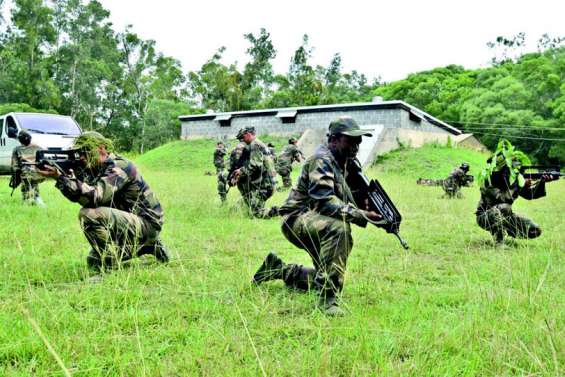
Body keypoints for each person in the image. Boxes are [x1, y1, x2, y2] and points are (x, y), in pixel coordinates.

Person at [252, 117, 381, 316]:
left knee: (324, 274)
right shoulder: (321, 160)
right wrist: (360, 214)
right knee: (339, 229)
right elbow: (324, 201)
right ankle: (327, 301)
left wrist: (370, 206)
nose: (357, 145)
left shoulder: (346, 163)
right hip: (296, 218)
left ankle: (278, 269)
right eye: (351, 140)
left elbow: (350, 196)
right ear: (335, 140)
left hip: (316, 219)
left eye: (359, 141)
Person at [38, 131, 169, 270]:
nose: (82, 157)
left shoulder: (120, 166)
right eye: (79, 153)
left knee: (88, 215)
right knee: (93, 260)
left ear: (101, 148)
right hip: (127, 221)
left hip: (147, 224)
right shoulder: (95, 169)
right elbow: (84, 198)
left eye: (86, 151)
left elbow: (95, 197)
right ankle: (149, 247)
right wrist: (63, 178)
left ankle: (109, 269)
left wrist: (62, 178)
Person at [476, 156, 556, 245]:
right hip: (484, 217)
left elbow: (530, 195)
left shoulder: (512, 181)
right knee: (505, 207)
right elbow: (503, 198)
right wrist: (519, 184)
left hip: (506, 217)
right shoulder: (488, 180)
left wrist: (542, 182)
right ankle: (499, 242)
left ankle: (505, 232)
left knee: (534, 230)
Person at [231, 127, 278, 218]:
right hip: (268, 183)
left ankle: (281, 212)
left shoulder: (255, 144)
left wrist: (241, 171)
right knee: (252, 206)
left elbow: (255, 165)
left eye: (242, 138)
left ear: (248, 134)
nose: (242, 141)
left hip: (265, 185)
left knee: (255, 213)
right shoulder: (259, 144)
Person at [11, 130, 45, 206]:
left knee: (26, 191)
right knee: (34, 186)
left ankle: (30, 202)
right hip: (38, 174)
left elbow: (14, 166)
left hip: (26, 174)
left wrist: (15, 177)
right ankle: (35, 199)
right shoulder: (38, 147)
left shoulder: (17, 149)